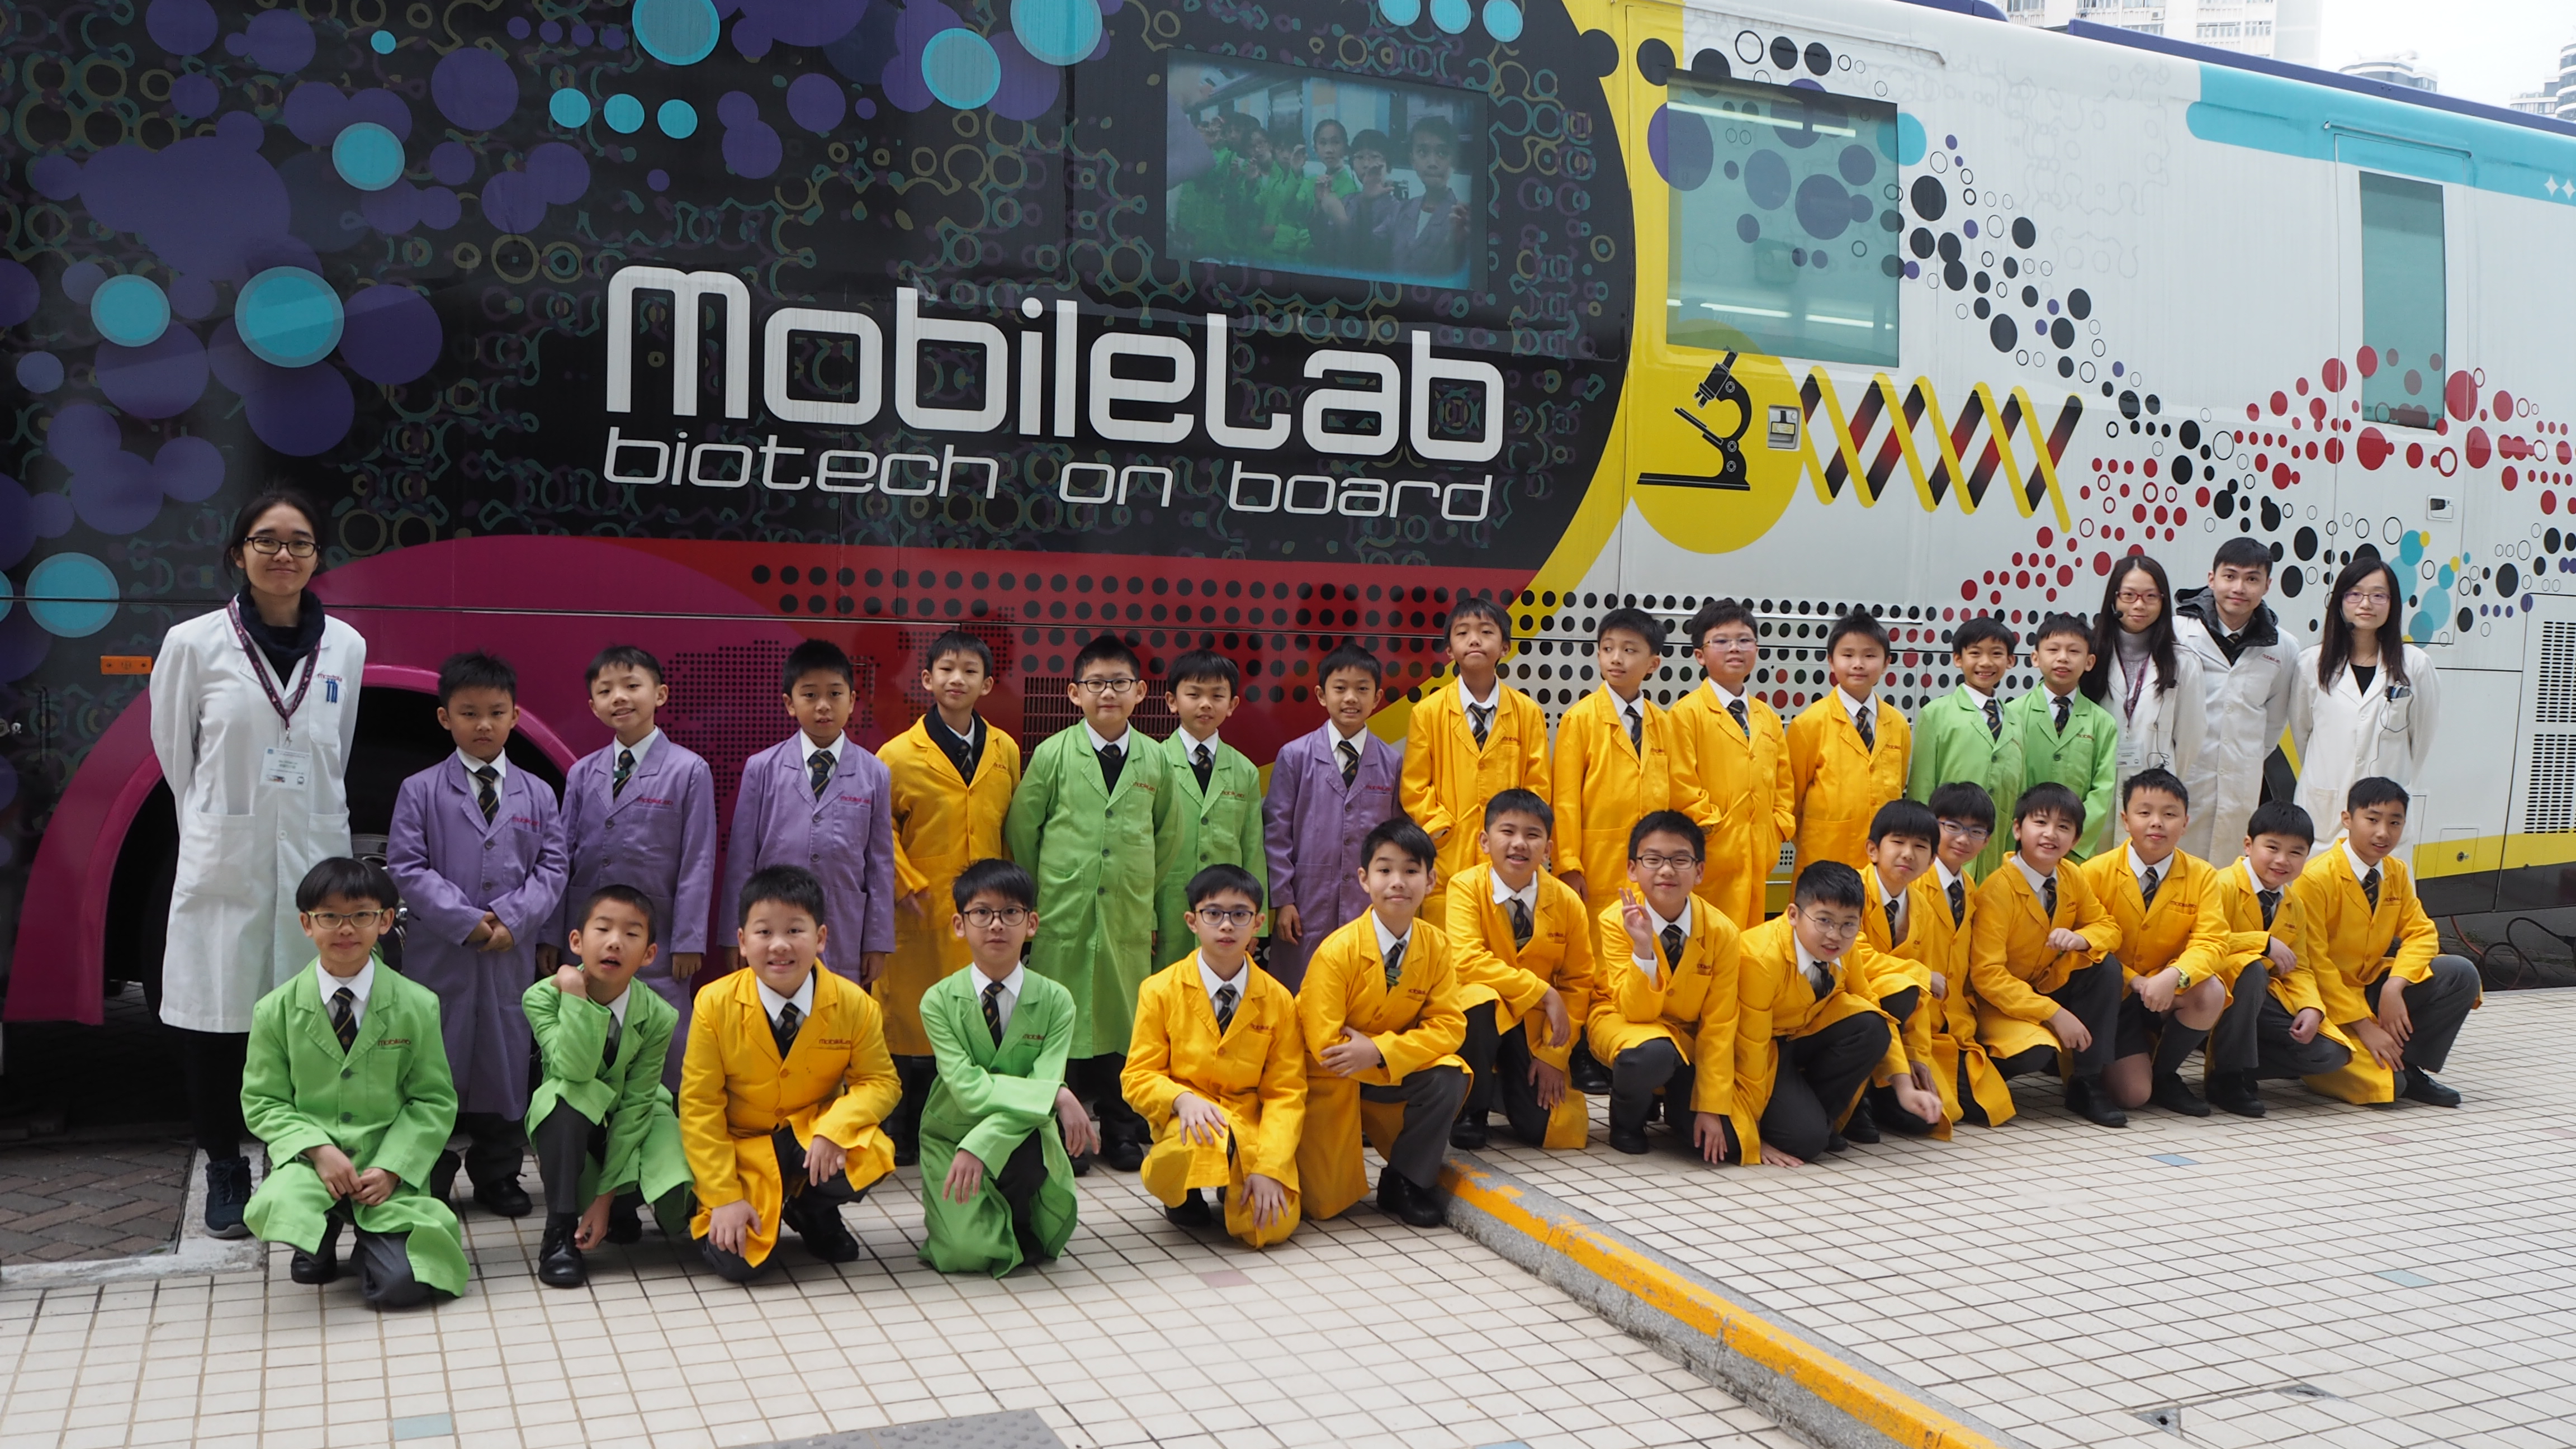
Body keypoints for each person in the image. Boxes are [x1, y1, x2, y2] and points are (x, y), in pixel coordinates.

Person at [149, 488, 366, 1236]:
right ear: (239, 553)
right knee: (217, 1022)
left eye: (299, 542)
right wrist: (219, 826)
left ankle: (296, 1160)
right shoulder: (193, 644)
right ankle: (225, 1165)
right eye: (266, 540)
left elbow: (337, 749)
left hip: (312, 857)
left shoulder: (346, 647)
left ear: (317, 556)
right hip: (227, 858)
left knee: (309, 1025)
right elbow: (177, 758)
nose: (283, 554)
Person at [386, 651, 567, 1216]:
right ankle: (429, 1171)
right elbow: (407, 866)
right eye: (469, 713)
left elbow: (554, 867)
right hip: (441, 955)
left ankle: (499, 1172)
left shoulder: (538, 793)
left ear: (516, 716)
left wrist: (514, 919)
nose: (483, 724)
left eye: (495, 712)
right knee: (431, 1064)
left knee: (505, 1061)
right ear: (445, 718)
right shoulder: (420, 790)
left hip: (509, 955)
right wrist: (466, 922)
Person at [240, 858, 463, 1309]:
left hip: (382, 1170)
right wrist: (318, 1150)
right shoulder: (274, 1011)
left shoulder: (417, 1005)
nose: (345, 929)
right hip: (313, 1169)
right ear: (307, 924)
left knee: (402, 1287)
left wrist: (393, 1168)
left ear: (385, 920)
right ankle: (318, 1239)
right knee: (279, 1204)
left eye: (361, 915)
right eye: (330, 916)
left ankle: (369, 1242)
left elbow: (433, 1100)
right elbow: (264, 1102)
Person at [1003, 633, 1181, 1173]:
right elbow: (1023, 829)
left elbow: (1168, 838)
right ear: (1074, 692)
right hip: (1063, 912)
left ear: (1140, 692)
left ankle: (1123, 1129)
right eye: (1096, 683)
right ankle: (1067, 1132)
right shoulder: (1053, 754)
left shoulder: (1156, 759)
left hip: (1127, 915)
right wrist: (1041, 896)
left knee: (1126, 1023)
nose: (1108, 693)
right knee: (1062, 1020)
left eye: (1120, 683)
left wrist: (1141, 897)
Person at [681, 865, 899, 1281]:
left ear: (821, 937)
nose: (779, 945)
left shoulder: (855, 1004)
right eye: (764, 932)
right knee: (739, 1265)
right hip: (743, 1148)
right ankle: (726, 1206)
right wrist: (724, 1196)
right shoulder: (714, 1003)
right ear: (742, 942)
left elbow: (882, 1082)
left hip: (810, 1137)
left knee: (870, 1152)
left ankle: (812, 1210)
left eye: (795, 930)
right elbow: (699, 1106)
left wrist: (835, 1128)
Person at [879, 630, 1024, 1166]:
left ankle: (964, 1120)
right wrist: (906, 883)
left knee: (974, 1015)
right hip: (921, 905)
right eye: (946, 669)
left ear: (987, 684)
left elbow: (1012, 825)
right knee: (911, 1016)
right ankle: (903, 1124)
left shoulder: (1005, 749)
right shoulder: (896, 754)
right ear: (927, 679)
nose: (956, 679)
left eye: (969, 671)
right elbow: (881, 829)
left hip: (986, 909)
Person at [546, 645, 717, 1087]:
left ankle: (663, 1111)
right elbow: (560, 857)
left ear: (660, 694)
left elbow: (698, 859)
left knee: (662, 1035)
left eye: (631, 686)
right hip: (591, 929)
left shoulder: (689, 770)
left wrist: (689, 940)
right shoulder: (583, 773)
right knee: (587, 1030)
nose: (619, 697)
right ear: (593, 706)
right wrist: (551, 933)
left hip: (658, 932)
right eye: (606, 690)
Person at [917, 859, 1092, 1277]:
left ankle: (1021, 1211)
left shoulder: (1057, 1001)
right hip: (951, 1135)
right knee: (963, 1255)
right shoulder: (937, 1001)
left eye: (1011, 912)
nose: (996, 924)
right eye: (982, 912)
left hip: (1023, 1132)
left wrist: (984, 1143)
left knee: (1029, 1156)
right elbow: (967, 1089)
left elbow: (1041, 1083)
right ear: (960, 925)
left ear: (1032, 924)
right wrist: (1056, 1094)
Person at [1294, 818, 1467, 1227]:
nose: (1398, 882)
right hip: (1330, 1078)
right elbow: (1326, 1046)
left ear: (1431, 881)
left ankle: (1405, 1180)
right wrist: (1377, 1054)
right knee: (1325, 1205)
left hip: (1383, 1067)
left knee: (1449, 1075)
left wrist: (1377, 1050)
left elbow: (1449, 1026)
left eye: (1411, 871)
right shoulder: (1337, 951)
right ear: (1364, 879)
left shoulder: (1437, 945)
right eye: (1385, 869)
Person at [1124, 864, 1307, 1248]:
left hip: (1249, 1124)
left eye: (1240, 914)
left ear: (1258, 923)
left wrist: (1270, 1167)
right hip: (1187, 1122)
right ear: (1192, 921)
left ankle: (1235, 1182)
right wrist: (1181, 1099)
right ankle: (1183, 1194)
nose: (1226, 925)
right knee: (1195, 1141)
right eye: (1213, 913)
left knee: (1271, 1226)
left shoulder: (1278, 999)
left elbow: (1286, 1094)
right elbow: (1138, 1076)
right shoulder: (1159, 990)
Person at [523, 885, 693, 1290]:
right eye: (602, 930)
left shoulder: (660, 1015)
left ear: (649, 954)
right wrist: (575, 996)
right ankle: (559, 1232)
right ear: (577, 942)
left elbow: (636, 1106)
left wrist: (604, 1200)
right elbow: (575, 1070)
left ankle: (618, 1207)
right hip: (575, 1118)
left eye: (632, 934)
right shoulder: (541, 998)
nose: (615, 942)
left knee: (674, 1183)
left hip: (632, 1118)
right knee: (563, 1102)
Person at [1727, 863, 1941, 1166]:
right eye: (1824, 920)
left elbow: (1869, 1003)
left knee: (1872, 1026)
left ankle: (1817, 1117)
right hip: (1757, 1050)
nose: (1835, 936)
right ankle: (1799, 1124)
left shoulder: (1844, 948)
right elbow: (1750, 1050)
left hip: (1800, 1038)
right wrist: (1753, 1136)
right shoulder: (1761, 959)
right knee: (1805, 1142)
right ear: (1793, 914)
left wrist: (1904, 1086)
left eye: (1848, 924)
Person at [2288, 778, 2480, 1107]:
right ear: (2347, 819)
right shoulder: (2315, 879)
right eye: (2373, 819)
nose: (2383, 833)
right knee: (2388, 1088)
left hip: (2372, 988)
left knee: (2460, 973)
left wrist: (2395, 985)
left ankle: (2410, 1063)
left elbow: (2422, 933)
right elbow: (2315, 964)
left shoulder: (2395, 872)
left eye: (2395, 822)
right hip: (2326, 1002)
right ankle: (2322, 1065)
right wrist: (2365, 1027)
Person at [718, 639, 897, 986]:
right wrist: (732, 933)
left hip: (844, 926)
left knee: (837, 1006)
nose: (823, 706)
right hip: (773, 926)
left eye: (835, 694)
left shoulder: (875, 773)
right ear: (790, 703)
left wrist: (877, 942)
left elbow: (880, 866)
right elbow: (741, 859)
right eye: (810, 695)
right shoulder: (762, 768)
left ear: (852, 701)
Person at [2078, 769, 2235, 1117]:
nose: (2157, 823)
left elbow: (2212, 941)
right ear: (2125, 820)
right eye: (2145, 812)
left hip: (2165, 990)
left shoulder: (2202, 875)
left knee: (2210, 991)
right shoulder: (2093, 873)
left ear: (2186, 823)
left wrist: (2176, 975)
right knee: (2133, 1095)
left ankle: (2166, 1074)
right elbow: (2088, 946)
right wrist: (2134, 980)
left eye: (2170, 814)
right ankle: (2099, 1067)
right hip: (2113, 997)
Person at [1971, 783, 2128, 1127]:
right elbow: (1987, 976)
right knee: (2035, 1051)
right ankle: (1973, 1077)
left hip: (2046, 984)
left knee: (2104, 967)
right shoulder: (1996, 890)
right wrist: (2053, 1013)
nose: (2050, 834)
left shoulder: (2071, 875)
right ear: (2017, 829)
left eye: (2063, 826)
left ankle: (2087, 1082)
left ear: (2075, 839)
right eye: (2040, 822)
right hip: (2000, 1002)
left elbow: (2109, 927)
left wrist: (2081, 938)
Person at [1587, 812, 1743, 1159]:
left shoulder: (1723, 932)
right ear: (1632, 869)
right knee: (1649, 1054)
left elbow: (1719, 1024)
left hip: (1686, 1040)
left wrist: (1711, 1107)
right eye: (1653, 859)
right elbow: (1635, 1011)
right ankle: (1626, 1121)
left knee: (1726, 1145)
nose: (1667, 870)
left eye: (1680, 860)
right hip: (1624, 1021)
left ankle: (1674, 1104)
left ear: (1699, 871)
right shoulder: (1614, 920)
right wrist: (1643, 947)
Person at [1445, 790, 1593, 1150]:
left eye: (1532, 834)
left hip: (1534, 1028)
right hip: (1483, 1016)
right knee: (1478, 1000)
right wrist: (1543, 991)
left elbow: (1578, 982)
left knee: (1544, 1129)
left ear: (1548, 849)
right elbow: (1467, 960)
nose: (1519, 844)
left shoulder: (1568, 902)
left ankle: (1503, 1088)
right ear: (1484, 841)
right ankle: (1471, 1110)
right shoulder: (1465, 887)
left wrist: (1554, 1055)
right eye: (1507, 831)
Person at [1263, 644, 1403, 988]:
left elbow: (1398, 840)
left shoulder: (1392, 763)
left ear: (1377, 698)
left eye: (1362, 689)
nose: (1350, 698)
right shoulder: (1295, 756)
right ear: (1321, 695)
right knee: (1301, 990)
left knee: (1361, 990)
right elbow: (1276, 834)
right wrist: (1283, 900)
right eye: (1340, 688)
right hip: (1306, 904)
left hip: (1367, 903)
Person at [2204, 800, 2356, 1116]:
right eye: (2272, 848)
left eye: (2296, 852)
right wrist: (2262, 943)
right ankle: (2227, 1076)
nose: (2282, 860)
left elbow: (2299, 967)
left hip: (2259, 1001)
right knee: (2253, 969)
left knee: (2331, 1053)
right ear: (2248, 845)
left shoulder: (2293, 904)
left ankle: (2241, 1062)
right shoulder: (2220, 885)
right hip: (2209, 995)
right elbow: (2201, 942)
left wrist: (2311, 1007)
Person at [1401, 596, 1547, 924]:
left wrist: (1517, 835)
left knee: (1503, 942)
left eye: (1486, 631)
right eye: (1463, 632)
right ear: (1449, 650)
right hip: (1447, 858)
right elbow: (1414, 786)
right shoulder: (1428, 712)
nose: (1475, 640)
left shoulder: (1528, 713)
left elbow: (1537, 784)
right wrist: (1440, 830)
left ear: (1505, 647)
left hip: (1509, 857)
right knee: (1446, 943)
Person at [1552, 607, 1706, 911]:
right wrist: (1568, 864)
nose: (1616, 658)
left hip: (1654, 863)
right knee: (1598, 934)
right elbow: (1565, 801)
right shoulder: (1579, 719)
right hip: (1598, 863)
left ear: (1653, 664)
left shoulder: (1662, 723)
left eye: (1629, 650)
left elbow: (1680, 790)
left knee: (1648, 932)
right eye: (1607, 649)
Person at [2293, 555, 2442, 843]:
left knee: (2382, 872)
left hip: (2384, 814)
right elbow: (2303, 734)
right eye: (2355, 594)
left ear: (2392, 603)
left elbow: (2422, 740)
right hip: (2324, 809)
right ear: (2340, 601)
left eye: (2378, 595)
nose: (2366, 604)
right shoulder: (2311, 663)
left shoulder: (2415, 665)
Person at [1667, 599, 1794, 929]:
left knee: (1750, 941)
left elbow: (1784, 781)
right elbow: (1680, 783)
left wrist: (1778, 826)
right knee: (1708, 936)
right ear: (1700, 655)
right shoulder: (1686, 714)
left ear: (1757, 649)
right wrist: (1714, 827)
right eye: (1722, 641)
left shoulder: (1767, 716)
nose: (1735, 648)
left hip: (1759, 850)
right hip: (1713, 853)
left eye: (1744, 640)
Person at [2174, 537, 2303, 860]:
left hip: (2240, 782)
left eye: (2252, 579)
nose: (2239, 588)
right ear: (2212, 578)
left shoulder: (2284, 647)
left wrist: (2240, 757)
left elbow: (2273, 722)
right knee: (2175, 869)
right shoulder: (2177, 633)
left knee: (2229, 870)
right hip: (2184, 774)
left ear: (2267, 585)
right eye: (2230, 576)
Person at [1155, 650, 1268, 982]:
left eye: (1217, 696)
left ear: (1232, 705)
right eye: (1194, 694)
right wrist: (1145, 917)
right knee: (1167, 988)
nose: (1206, 704)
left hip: (1228, 914)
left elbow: (1253, 848)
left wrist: (1257, 918)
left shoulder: (1245, 770)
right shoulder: (1152, 762)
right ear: (1172, 701)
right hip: (1167, 906)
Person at [2082, 557, 2206, 848]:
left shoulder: (2184, 661)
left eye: (2151, 596)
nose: (2139, 605)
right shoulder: (2090, 654)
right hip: (2096, 786)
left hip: (2153, 791)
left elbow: (2190, 739)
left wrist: (2164, 774)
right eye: (2129, 595)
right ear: (2114, 598)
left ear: (2163, 601)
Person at [1915, 783, 2016, 1130]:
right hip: (1917, 1017)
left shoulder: (1970, 888)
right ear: (1932, 825)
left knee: (1992, 1108)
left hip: (1955, 1021)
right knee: (1936, 1115)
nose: (1963, 839)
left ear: (1987, 841)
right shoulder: (1914, 881)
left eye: (1976, 831)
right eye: (1952, 826)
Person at [1787, 610, 1912, 875]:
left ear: (1886, 663)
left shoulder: (1898, 724)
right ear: (1831, 662)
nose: (1858, 664)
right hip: (1825, 858)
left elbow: (1899, 784)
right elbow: (1792, 801)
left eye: (1870, 656)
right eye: (1847, 655)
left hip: (1880, 862)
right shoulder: (1809, 724)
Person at [1849, 800, 1946, 1140]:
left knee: (1924, 1121)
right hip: (1848, 1011)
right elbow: (1854, 956)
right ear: (1873, 850)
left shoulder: (1923, 909)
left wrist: (1917, 1056)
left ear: (1932, 861)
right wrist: (1919, 974)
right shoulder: (1851, 890)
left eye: (1920, 846)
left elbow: (1923, 1000)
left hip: (1896, 1028)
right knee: (1902, 988)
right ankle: (1856, 1098)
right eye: (1898, 842)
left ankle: (1886, 1088)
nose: (1908, 854)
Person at [1907, 615, 2021, 879]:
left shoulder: (2015, 721)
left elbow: (2017, 789)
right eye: (1975, 653)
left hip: (1992, 849)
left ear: (2011, 661)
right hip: (1945, 848)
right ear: (1958, 659)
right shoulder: (1936, 713)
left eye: (1996, 654)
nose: (1986, 662)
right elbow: (1922, 785)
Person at [2005, 613, 2120, 861]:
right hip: (2021, 846)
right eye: (2053, 649)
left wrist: (2073, 839)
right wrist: (2026, 833)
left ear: (2089, 662)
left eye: (2074, 651)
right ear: (2035, 658)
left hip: (2076, 851)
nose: (2063, 658)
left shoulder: (2102, 723)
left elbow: (2103, 790)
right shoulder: (2013, 714)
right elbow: (2009, 781)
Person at [1382, 113, 1471, 277]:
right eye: (1423, 152)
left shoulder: (1462, 219)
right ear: (1412, 160)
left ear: (1454, 160)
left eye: (1442, 153)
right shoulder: (1399, 210)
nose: (1432, 163)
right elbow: (1370, 249)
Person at [1314, 128, 1399, 272]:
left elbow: (1369, 257)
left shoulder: (1396, 209)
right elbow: (1322, 244)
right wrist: (1319, 203)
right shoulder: (1349, 200)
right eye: (1360, 157)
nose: (1366, 164)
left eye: (1375, 157)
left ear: (1388, 165)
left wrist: (1341, 219)